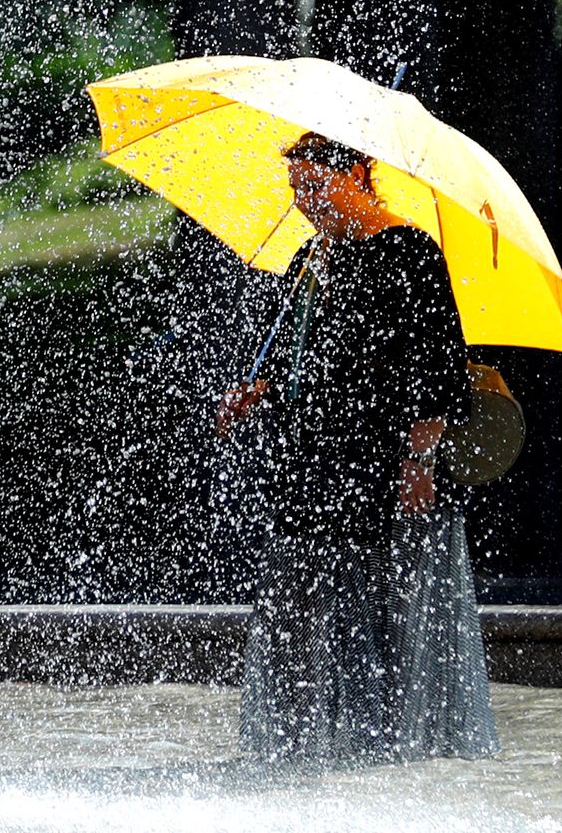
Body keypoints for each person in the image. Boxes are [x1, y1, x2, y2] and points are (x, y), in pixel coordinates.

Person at [217, 131, 497, 768]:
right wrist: (256, 394)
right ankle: (306, 747)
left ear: (357, 174)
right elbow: (299, 363)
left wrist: (419, 463)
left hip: (388, 470)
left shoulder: (410, 252)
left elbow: (435, 374)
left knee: (390, 614)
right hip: (312, 468)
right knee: (306, 609)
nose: (306, 204)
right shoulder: (310, 259)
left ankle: (397, 752)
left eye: (314, 186)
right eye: (296, 192)